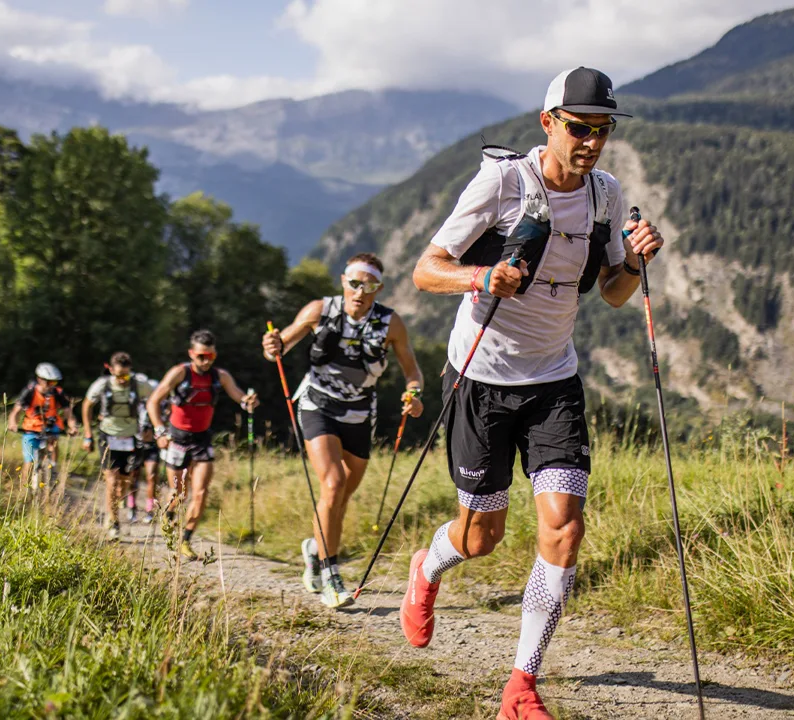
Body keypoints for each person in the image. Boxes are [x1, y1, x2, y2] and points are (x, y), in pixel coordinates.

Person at [402, 67, 663, 719]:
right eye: (580, 127)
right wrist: (484, 276)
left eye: (602, 128)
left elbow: (611, 291)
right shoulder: (504, 181)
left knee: (564, 528)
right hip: (479, 380)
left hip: (553, 382)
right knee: (481, 536)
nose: (593, 140)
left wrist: (634, 263)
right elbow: (425, 270)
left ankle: (522, 683)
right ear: (548, 123)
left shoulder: (605, 194)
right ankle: (426, 569)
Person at [262, 252, 425, 609]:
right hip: (317, 404)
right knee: (333, 483)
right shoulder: (320, 310)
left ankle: (313, 548)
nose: (360, 291)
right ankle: (329, 575)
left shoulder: (390, 323)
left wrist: (413, 396)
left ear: (378, 289)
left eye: (369, 286)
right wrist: (273, 345)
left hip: (360, 414)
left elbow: (413, 373)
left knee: (340, 495)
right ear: (343, 281)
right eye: (354, 283)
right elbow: (283, 343)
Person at [148, 330, 259, 560]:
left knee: (200, 493)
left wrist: (248, 402)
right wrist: (159, 430)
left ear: (215, 354)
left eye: (210, 356)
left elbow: (239, 396)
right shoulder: (179, 373)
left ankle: (185, 540)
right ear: (191, 354)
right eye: (201, 356)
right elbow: (153, 401)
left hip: (202, 440)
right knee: (179, 493)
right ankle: (168, 516)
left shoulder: (221, 376)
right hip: (177, 440)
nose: (206, 361)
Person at [81, 352, 156, 540]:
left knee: (125, 483)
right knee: (111, 481)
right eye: (119, 375)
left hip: (131, 436)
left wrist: (151, 426)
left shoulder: (139, 385)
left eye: (126, 375)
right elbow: (87, 405)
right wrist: (88, 434)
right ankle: (114, 522)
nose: (122, 380)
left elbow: (156, 400)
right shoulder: (102, 385)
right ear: (111, 370)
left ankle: (114, 506)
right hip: (108, 436)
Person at [7, 362, 77, 490]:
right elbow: (15, 411)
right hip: (31, 428)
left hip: (51, 425)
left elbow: (68, 413)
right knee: (29, 462)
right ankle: (24, 490)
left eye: (54, 382)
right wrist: (13, 423)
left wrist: (72, 426)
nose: (51, 385)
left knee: (54, 440)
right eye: (49, 382)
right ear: (39, 379)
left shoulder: (58, 393)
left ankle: (53, 467)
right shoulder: (29, 391)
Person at [128, 372, 166, 525]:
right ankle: (131, 506)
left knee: (152, 476)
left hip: (152, 445)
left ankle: (150, 509)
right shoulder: (135, 403)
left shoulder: (162, 405)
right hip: (135, 443)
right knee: (133, 476)